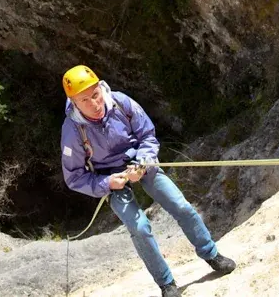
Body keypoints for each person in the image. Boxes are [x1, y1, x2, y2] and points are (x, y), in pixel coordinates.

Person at [59, 65, 236, 297]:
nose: (94, 103)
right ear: (73, 102)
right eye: (85, 100)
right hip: (109, 177)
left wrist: (142, 162)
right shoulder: (72, 131)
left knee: (181, 206)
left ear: (100, 87)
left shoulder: (121, 102)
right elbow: (74, 176)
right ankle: (166, 284)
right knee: (139, 227)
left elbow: (147, 135)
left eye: (95, 94)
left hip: (141, 164)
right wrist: (107, 183)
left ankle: (211, 254)